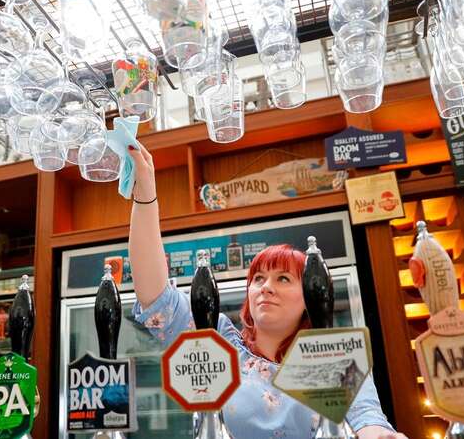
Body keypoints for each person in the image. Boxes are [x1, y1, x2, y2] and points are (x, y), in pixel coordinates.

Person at [126, 144, 408, 439]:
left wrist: (381, 435)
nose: (266, 287)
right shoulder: (223, 346)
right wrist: (145, 196)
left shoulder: (329, 356)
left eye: (283, 278)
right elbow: (155, 297)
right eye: (258, 278)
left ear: (311, 297)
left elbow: (367, 418)